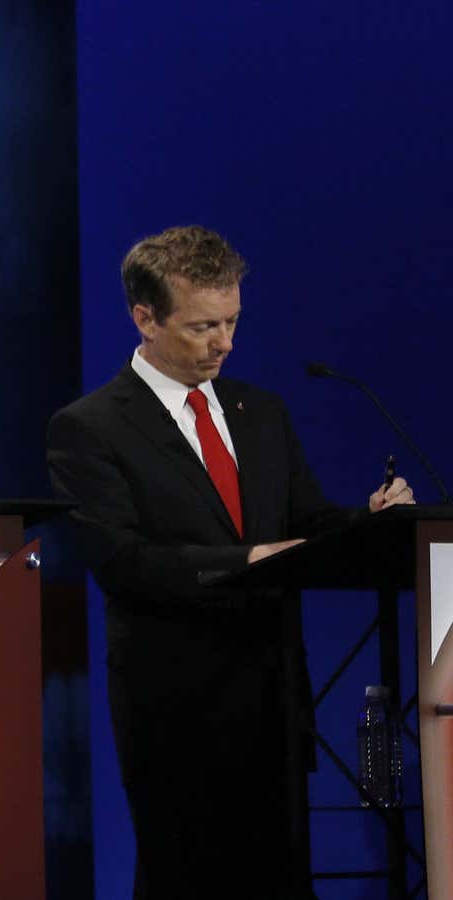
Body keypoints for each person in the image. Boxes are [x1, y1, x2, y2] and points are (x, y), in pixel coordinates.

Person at [46, 225, 414, 898]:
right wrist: (248, 560)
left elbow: (310, 525)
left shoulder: (261, 413)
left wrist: (374, 521)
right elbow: (122, 561)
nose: (225, 343)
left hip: (275, 698)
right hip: (176, 705)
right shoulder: (90, 427)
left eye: (233, 321)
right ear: (145, 318)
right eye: (203, 326)